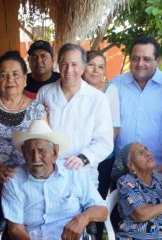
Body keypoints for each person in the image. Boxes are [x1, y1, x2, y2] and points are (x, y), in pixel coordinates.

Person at [0, 51, 46, 239]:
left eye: (15, 74)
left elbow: (45, 147)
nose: (10, 79)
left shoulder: (37, 109)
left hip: (28, 191)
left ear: (24, 79)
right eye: (4, 74)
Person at [2, 120, 108, 240]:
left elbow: (102, 210)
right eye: (29, 151)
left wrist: (84, 217)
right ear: (23, 152)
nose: (36, 158)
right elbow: (15, 229)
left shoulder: (74, 172)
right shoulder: (13, 180)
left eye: (42, 151)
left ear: (55, 152)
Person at [37, 43, 114, 186]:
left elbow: (104, 141)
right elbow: (37, 131)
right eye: (64, 64)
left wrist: (83, 158)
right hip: (49, 174)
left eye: (74, 64)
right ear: (58, 65)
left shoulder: (97, 99)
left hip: (83, 175)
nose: (69, 70)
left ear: (83, 67)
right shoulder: (44, 93)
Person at [111, 36, 162, 167]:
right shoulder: (116, 84)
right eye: (135, 58)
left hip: (159, 170)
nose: (140, 63)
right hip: (123, 168)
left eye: (146, 59)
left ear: (157, 61)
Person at [83, 50, 120, 239]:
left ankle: (95, 236)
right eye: (91, 64)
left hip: (102, 159)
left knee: (95, 204)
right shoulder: (76, 88)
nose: (96, 70)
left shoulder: (109, 90)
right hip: (77, 158)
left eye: (100, 66)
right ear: (83, 66)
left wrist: (94, 154)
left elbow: (114, 128)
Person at [111, 142, 162, 240]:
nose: (148, 153)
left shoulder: (161, 179)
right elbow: (142, 214)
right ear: (131, 165)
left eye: (147, 149)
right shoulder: (126, 182)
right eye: (140, 153)